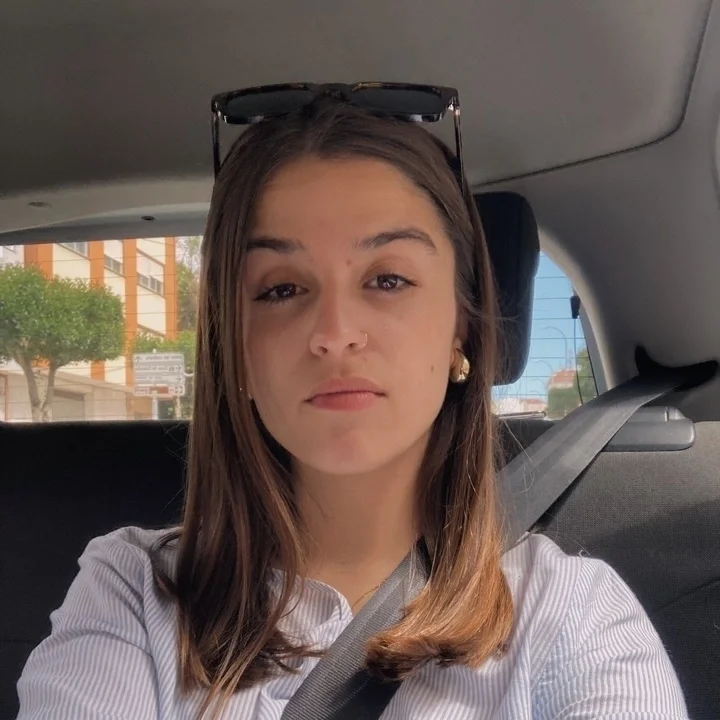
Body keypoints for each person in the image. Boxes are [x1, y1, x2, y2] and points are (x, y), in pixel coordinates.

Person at [17, 90, 689, 720]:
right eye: (280, 289)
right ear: (235, 349)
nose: (334, 332)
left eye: (388, 279)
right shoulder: (135, 593)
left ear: (461, 327)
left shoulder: (571, 614)